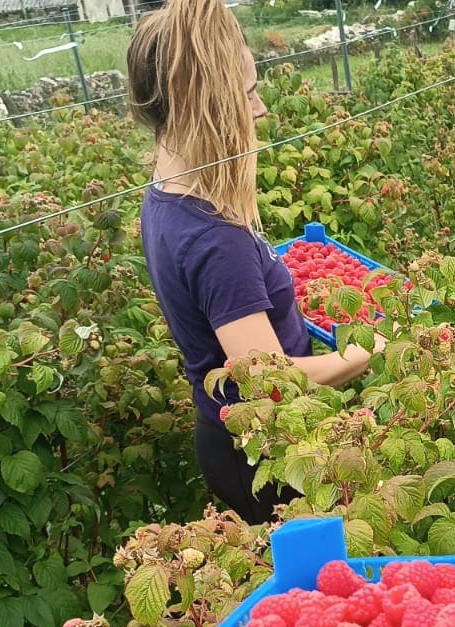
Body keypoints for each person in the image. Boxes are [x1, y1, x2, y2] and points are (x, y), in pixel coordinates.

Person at [127, 0, 383, 525]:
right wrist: (373, 349)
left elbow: (229, 311)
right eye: (247, 92)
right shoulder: (215, 238)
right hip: (266, 456)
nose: (260, 108)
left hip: (229, 440)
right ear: (210, 102)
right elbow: (272, 381)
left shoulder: (164, 199)